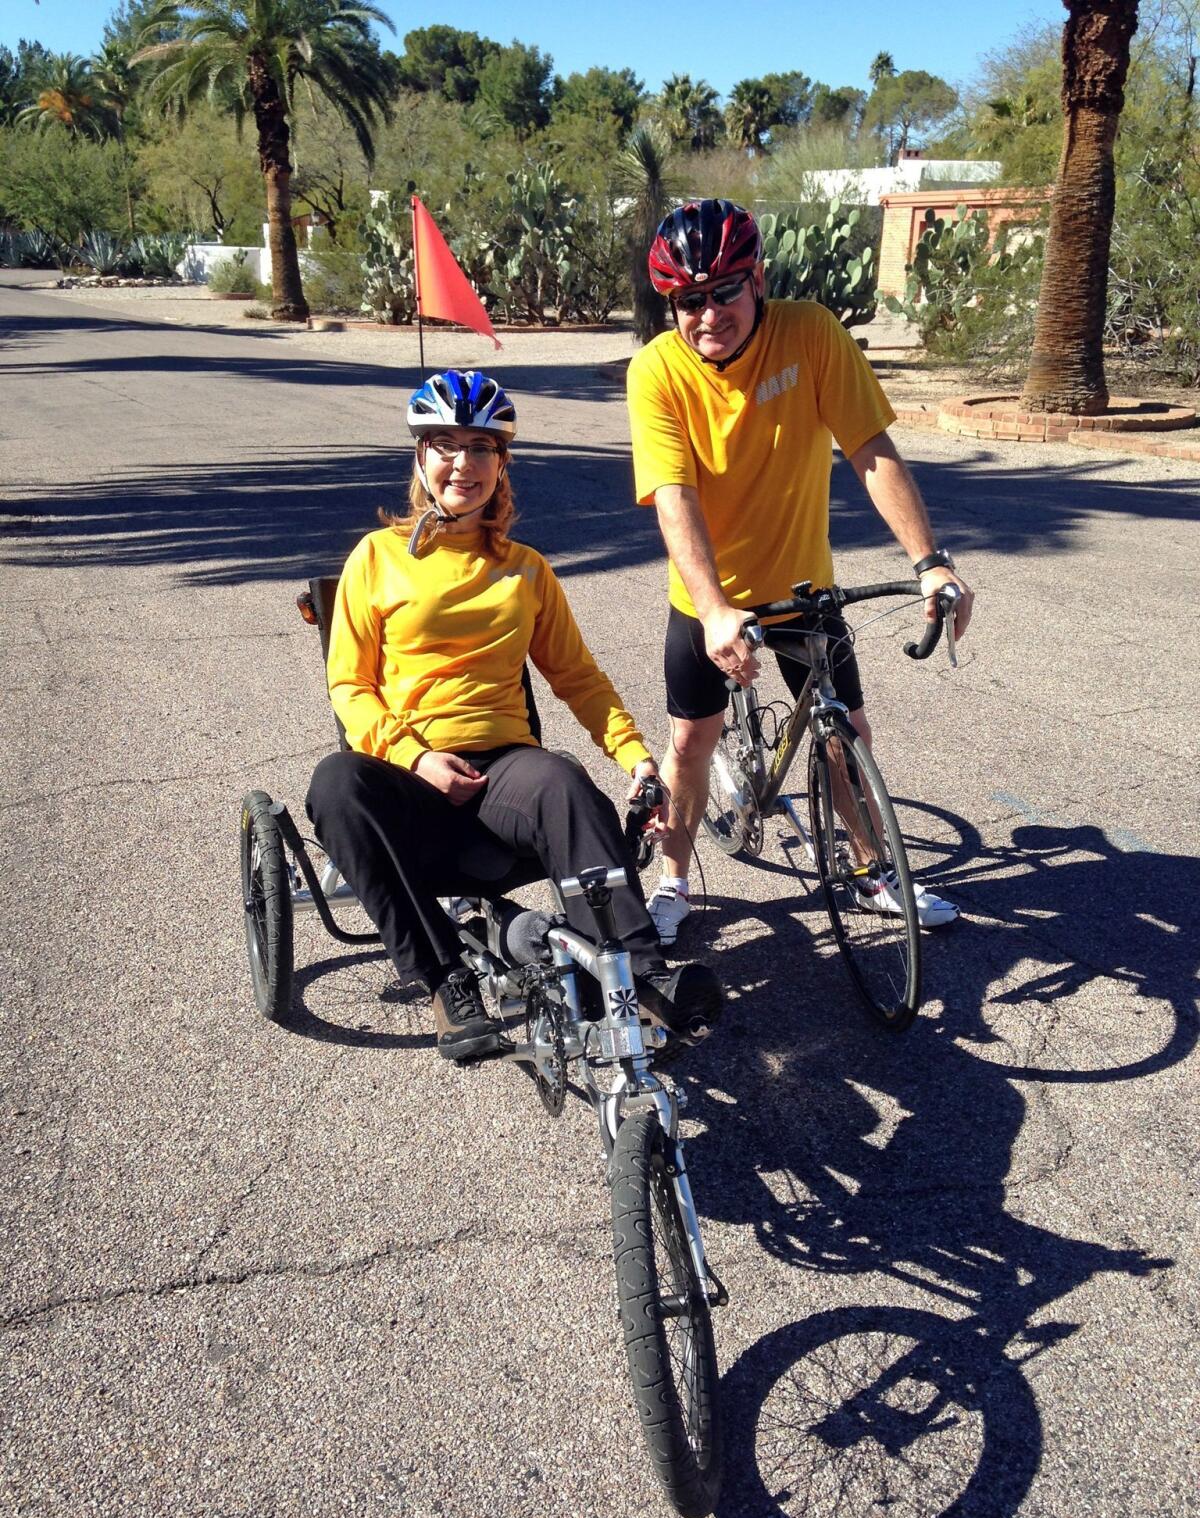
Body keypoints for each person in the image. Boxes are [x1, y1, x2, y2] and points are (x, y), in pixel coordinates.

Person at [306, 368, 721, 1061]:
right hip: (408, 780)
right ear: (420, 457)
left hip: (504, 775)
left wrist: (637, 758)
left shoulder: (525, 570)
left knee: (560, 779)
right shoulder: (374, 559)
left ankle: (646, 980)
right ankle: (447, 984)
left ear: (501, 465)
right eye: (444, 444)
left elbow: (577, 678)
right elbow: (350, 688)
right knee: (333, 784)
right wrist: (416, 758)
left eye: (480, 447)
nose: (462, 463)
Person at [626, 198, 977, 945]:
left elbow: (870, 450)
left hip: (802, 590)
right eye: (688, 301)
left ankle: (872, 869)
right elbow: (673, 496)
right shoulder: (657, 371)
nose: (708, 313)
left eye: (724, 291)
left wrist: (930, 562)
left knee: (844, 731)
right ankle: (674, 880)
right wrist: (715, 609)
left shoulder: (810, 332)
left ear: (757, 282)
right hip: (707, 599)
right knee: (691, 741)